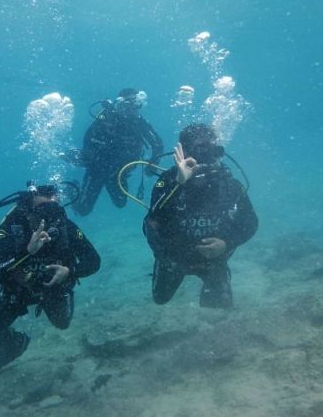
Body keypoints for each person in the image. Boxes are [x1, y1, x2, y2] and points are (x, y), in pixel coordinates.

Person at [0, 184, 100, 396]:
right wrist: (26, 251)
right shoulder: (10, 228)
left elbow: (94, 261)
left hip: (54, 288)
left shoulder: (66, 227)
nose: (46, 219)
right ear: (27, 208)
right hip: (18, 290)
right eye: (40, 211)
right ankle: (17, 344)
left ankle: (56, 298)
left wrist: (69, 271)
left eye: (52, 209)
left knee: (62, 323)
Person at [144, 123, 257, 310]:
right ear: (185, 152)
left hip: (213, 259)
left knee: (220, 308)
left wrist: (227, 243)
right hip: (174, 259)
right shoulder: (168, 181)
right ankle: (167, 268)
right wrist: (178, 183)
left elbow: (251, 222)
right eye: (200, 150)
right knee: (160, 298)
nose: (207, 157)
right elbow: (150, 223)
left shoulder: (230, 185)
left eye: (212, 151)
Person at [71, 88, 164, 216]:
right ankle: (72, 189)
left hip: (118, 172)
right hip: (97, 170)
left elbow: (157, 143)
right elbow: (87, 140)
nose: (131, 111)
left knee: (120, 203)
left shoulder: (138, 122)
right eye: (127, 105)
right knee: (82, 210)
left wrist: (153, 163)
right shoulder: (106, 118)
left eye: (135, 106)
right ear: (119, 103)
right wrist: (92, 158)